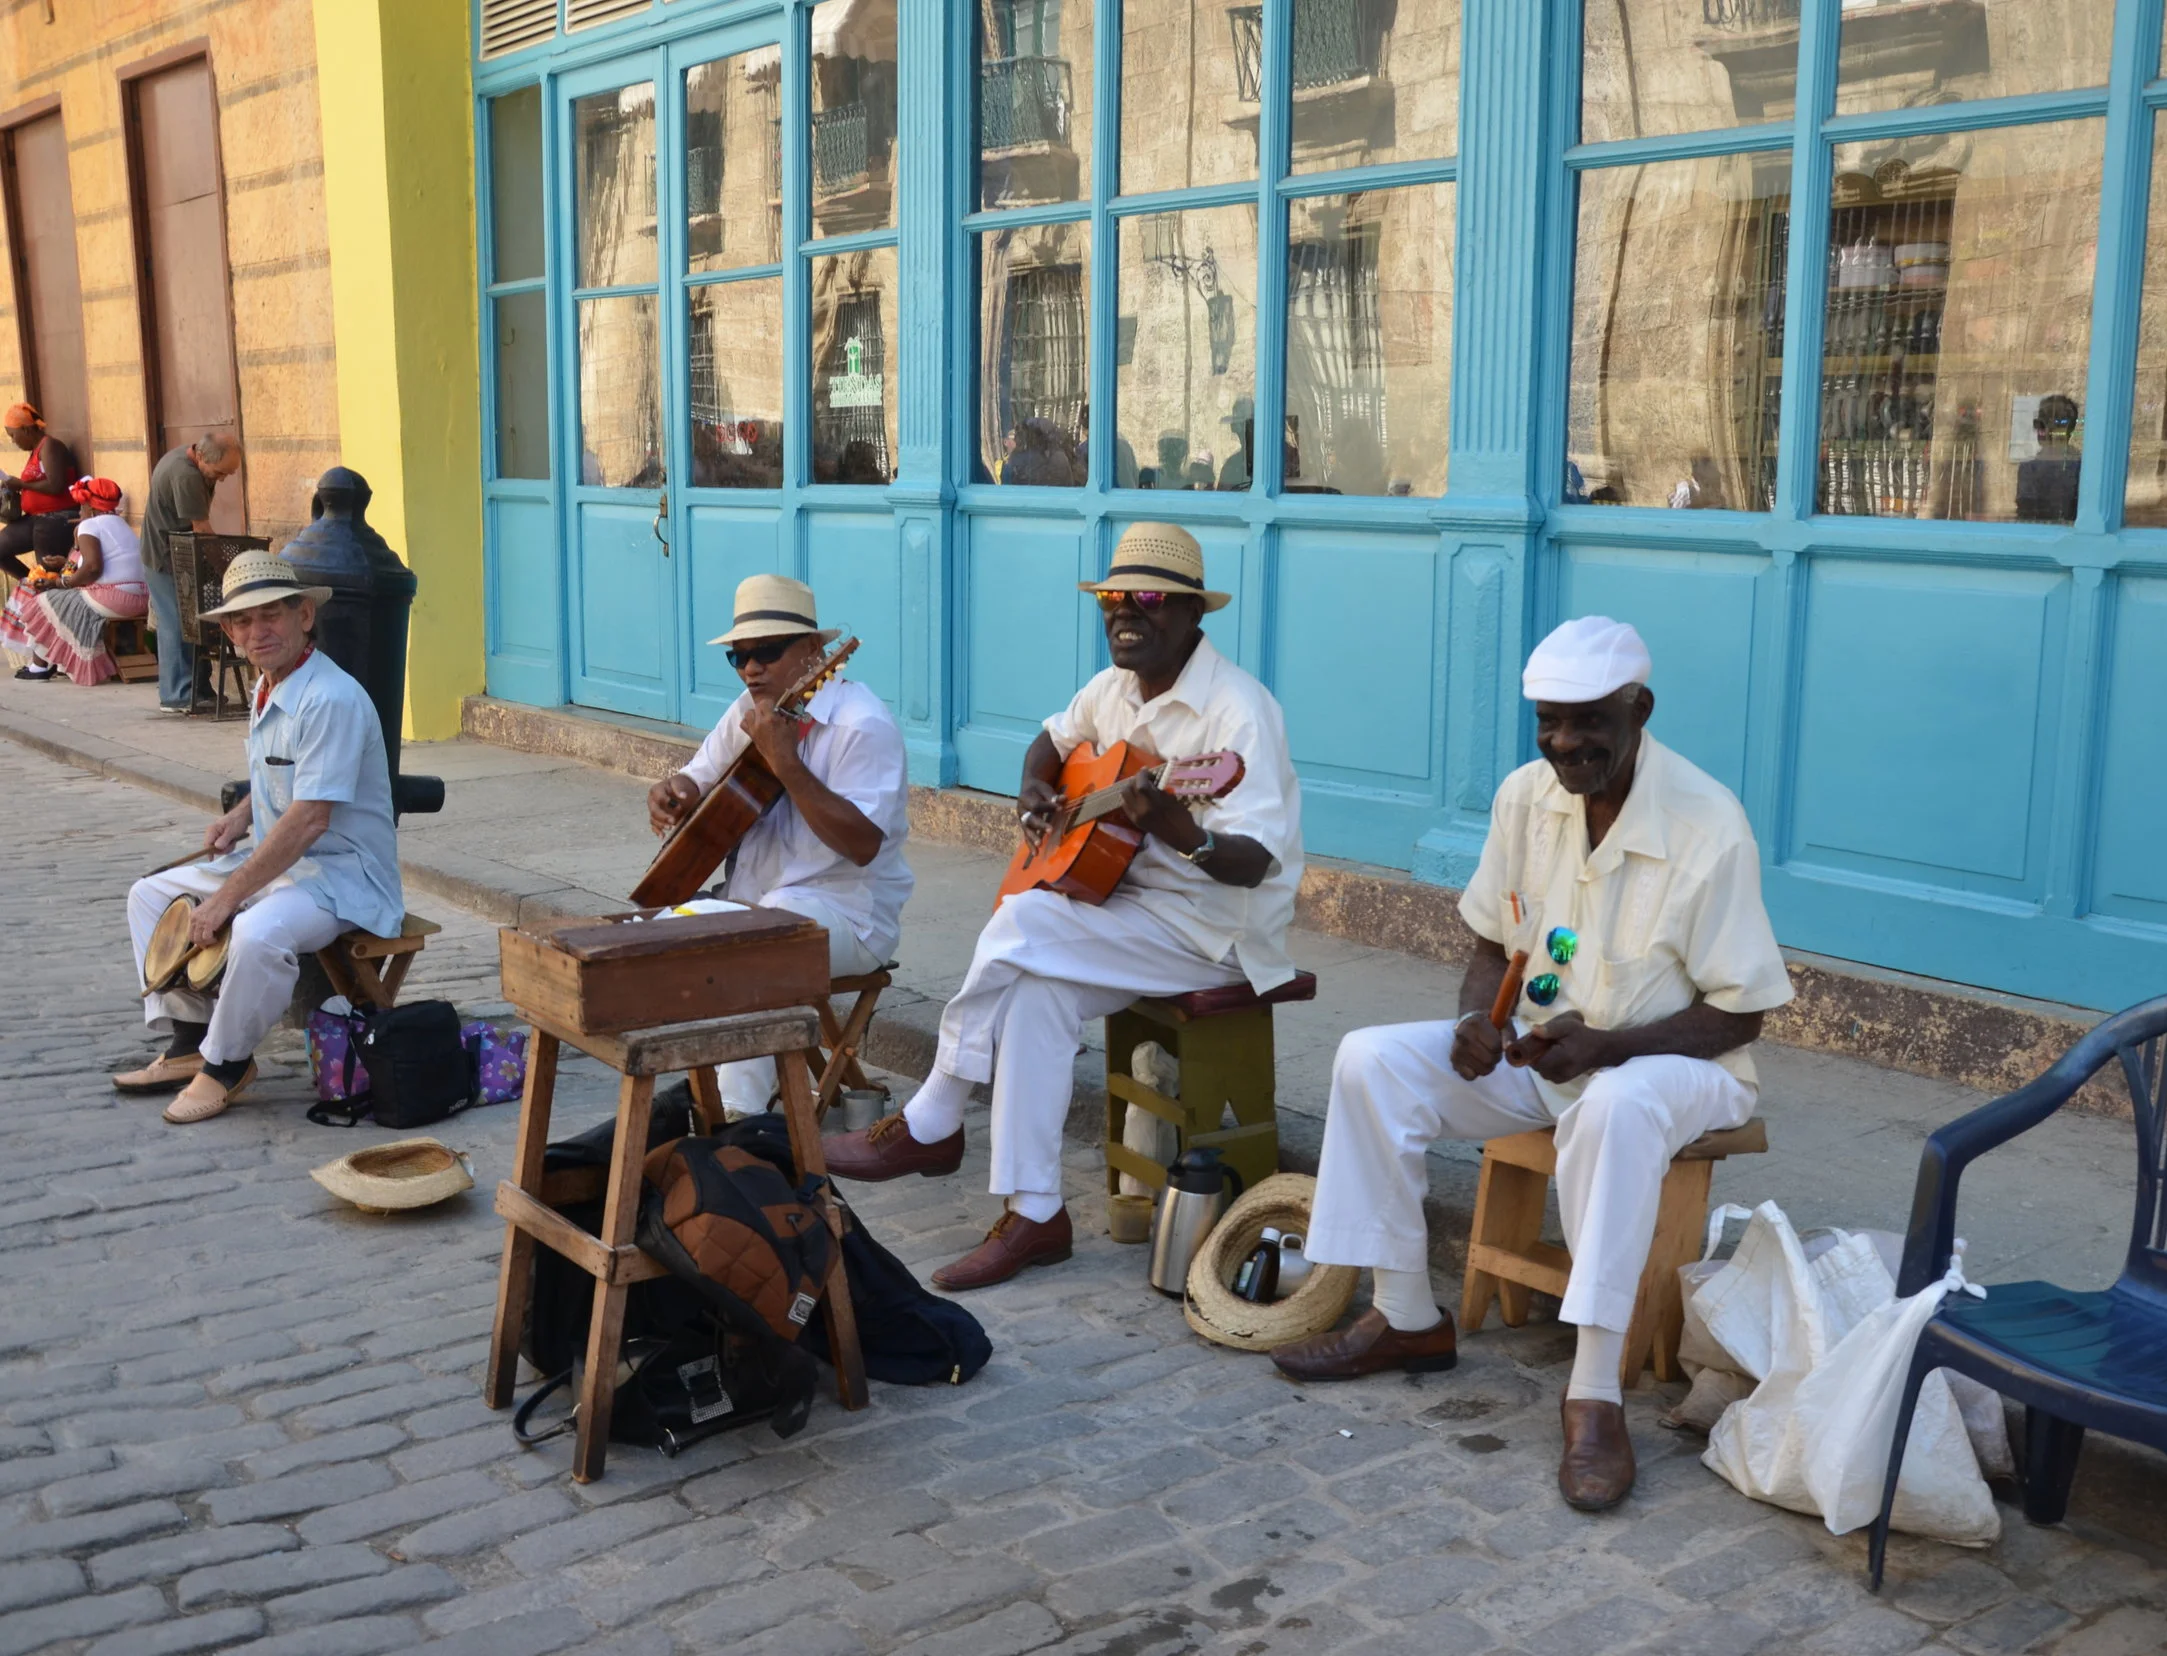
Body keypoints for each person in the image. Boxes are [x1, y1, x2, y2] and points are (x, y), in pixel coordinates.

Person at [1271, 616, 1794, 1514]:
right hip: (1549, 1053)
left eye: (1588, 721)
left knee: (1617, 1108)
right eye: (1549, 721)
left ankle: (1593, 1393)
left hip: (1677, 1071)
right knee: (1371, 1060)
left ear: (1640, 708)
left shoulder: (1709, 825)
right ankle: (1405, 1319)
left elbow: (1743, 1009)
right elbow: (1489, 938)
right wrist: (1477, 1017)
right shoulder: (1527, 797)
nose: (1564, 743)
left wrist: (1615, 1046)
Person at [822, 522, 1303, 1290]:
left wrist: (1183, 832)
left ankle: (935, 1114)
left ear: (1191, 616)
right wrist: (1036, 793)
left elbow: (1254, 863)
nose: (1125, 613)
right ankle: (1036, 1212)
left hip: (1212, 929)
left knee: (1023, 918)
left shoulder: (1239, 714)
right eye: (1113, 597)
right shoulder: (1112, 688)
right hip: (1125, 912)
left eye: (1147, 598)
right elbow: (1049, 741)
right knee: (1035, 995)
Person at [112, 551, 402, 1124]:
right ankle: (191, 1038)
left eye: (271, 614)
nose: (257, 631)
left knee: (255, 933)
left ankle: (227, 1062)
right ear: (229, 631)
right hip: (282, 864)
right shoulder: (272, 683)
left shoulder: (330, 698)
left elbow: (312, 817)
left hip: (341, 878)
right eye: (243, 620)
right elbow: (287, 776)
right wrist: (242, 814)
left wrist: (226, 895)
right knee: (148, 894)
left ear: (304, 617)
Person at [645, 575, 915, 1116]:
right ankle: (698, 1103)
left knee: (755, 953)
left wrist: (786, 762)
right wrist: (673, 794)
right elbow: (696, 778)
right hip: (755, 902)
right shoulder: (750, 708)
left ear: (814, 651)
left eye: (767, 651)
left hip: (849, 917)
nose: (751, 669)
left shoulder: (862, 725)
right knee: (659, 937)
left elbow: (863, 844)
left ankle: (736, 1126)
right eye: (739, 657)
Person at [0, 477, 149, 684]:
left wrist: (60, 583)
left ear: (89, 505)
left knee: (41, 603)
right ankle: (47, 664)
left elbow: (93, 568)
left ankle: (39, 667)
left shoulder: (89, 525)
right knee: (58, 599)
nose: (79, 512)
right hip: (142, 599)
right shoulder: (120, 524)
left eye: (81, 507)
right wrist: (67, 562)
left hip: (114, 599)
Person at [140, 431, 244, 714]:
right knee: (177, 622)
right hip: (166, 557)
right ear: (200, 456)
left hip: (181, 554)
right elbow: (202, 530)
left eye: (229, 473)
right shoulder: (185, 476)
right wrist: (227, 570)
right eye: (220, 472)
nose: (222, 479)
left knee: (191, 621)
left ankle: (198, 689)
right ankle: (177, 694)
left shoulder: (190, 461)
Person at [0, 402, 80, 577]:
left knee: (48, 571)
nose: (13, 441)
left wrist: (21, 484)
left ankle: (41, 586)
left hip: (57, 517)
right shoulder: (36, 451)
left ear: (26, 430)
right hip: (36, 518)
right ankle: (31, 583)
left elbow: (56, 485)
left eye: (13, 435)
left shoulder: (50, 446)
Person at [2015, 394, 2081, 524]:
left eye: (2038, 424)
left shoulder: (2030, 468)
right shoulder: (2083, 465)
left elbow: (2025, 515)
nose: (2036, 430)